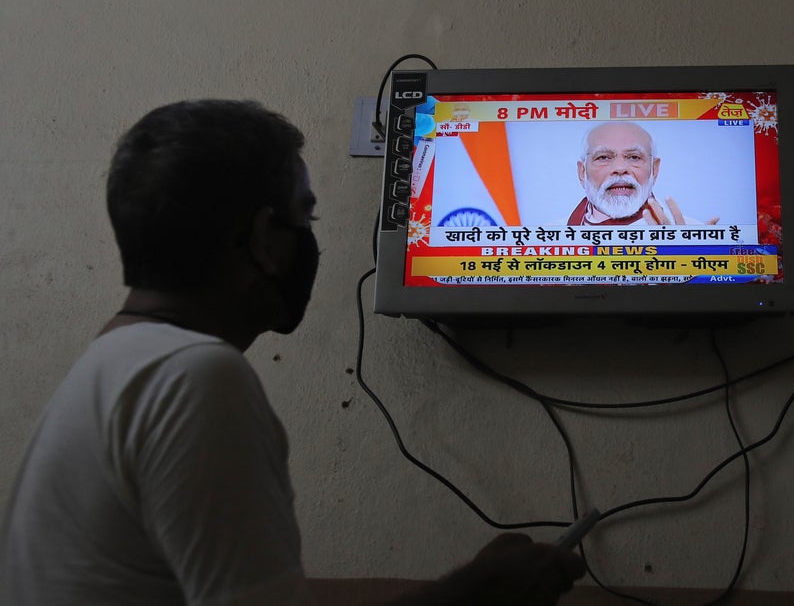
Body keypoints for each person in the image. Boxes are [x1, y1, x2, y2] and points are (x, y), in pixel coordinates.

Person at [0, 100, 585, 605]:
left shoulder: (117, 359)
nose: (311, 238)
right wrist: (480, 594)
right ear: (261, 238)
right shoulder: (194, 376)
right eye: (306, 214)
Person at [566, 121, 718, 226]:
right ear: (582, 171)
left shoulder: (694, 236)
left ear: (654, 169)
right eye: (603, 157)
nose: (619, 168)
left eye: (634, 157)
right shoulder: (548, 234)